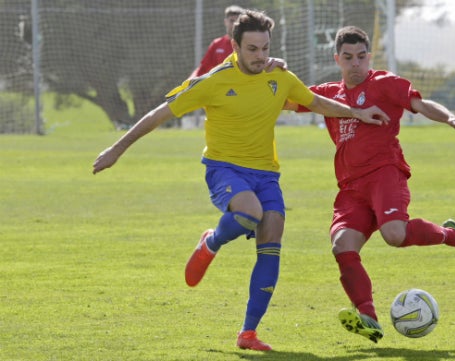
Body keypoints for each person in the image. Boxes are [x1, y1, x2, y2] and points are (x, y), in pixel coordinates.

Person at [93, 13, 389, 351]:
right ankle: (212, 241)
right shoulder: (215, 80)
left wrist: (357, 112)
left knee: (273, 230)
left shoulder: (280, 77)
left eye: (265, 48)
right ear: (234, 47)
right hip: (224, 168)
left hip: (266, 174)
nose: (260, 56)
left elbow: (315, 102)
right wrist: (117, 149)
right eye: (252, 49)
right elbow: (158, 114)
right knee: (250, 212)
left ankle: (248, 333)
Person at [285, 26, 455, 343]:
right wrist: (267, 71)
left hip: (384, 174)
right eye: (348, 57)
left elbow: (421, 104)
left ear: (369, 56)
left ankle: (453, 236)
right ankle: (368, 316)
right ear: (337, 58)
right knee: (342, 246)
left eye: (362, 57)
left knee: (394, 235)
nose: (356, 64)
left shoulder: (384, 83)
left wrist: (451, 118)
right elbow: (282, 99)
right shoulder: (326, 94)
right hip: (350, 187)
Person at [190, 5, 243, 78]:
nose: (234, 24)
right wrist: (190, 81)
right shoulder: (217, 44)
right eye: (231, 21)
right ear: (225, 22)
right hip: (220, 87)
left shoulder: (247, 45)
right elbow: (203, 69)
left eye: (237, 21)